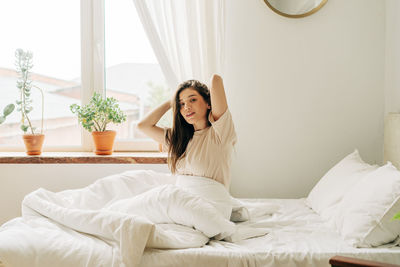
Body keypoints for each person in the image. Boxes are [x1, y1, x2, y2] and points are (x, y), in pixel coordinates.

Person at [137, 74, 236, 189]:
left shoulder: (220, 133)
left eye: (192, 100)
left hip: (210, 202)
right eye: (182, 104)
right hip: (182, 201)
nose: (186, 107)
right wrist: (172, 101)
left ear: (208, 103)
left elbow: (216, 79)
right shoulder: (178, 139)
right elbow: (143, 126)